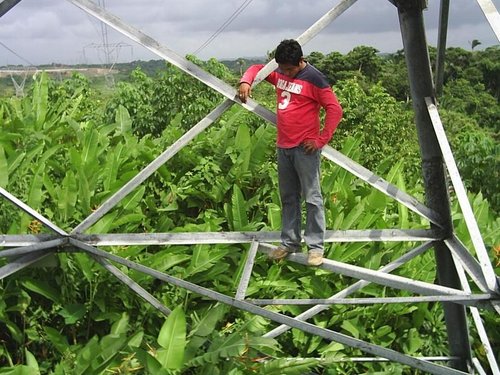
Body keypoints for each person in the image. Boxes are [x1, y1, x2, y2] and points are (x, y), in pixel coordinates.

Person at [238, 39, 343, 266]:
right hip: (283, 146)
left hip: (305, 149)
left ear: (300, 61)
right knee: (288, 197)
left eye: (289, 69)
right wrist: (246, 81)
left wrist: (321, 139)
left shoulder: (315, 79)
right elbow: (257, 69)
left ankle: (315, 248)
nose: (284, 73)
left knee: (312, 198)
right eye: (281, 68)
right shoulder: (280, 69)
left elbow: (335, 109)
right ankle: (289, 242)